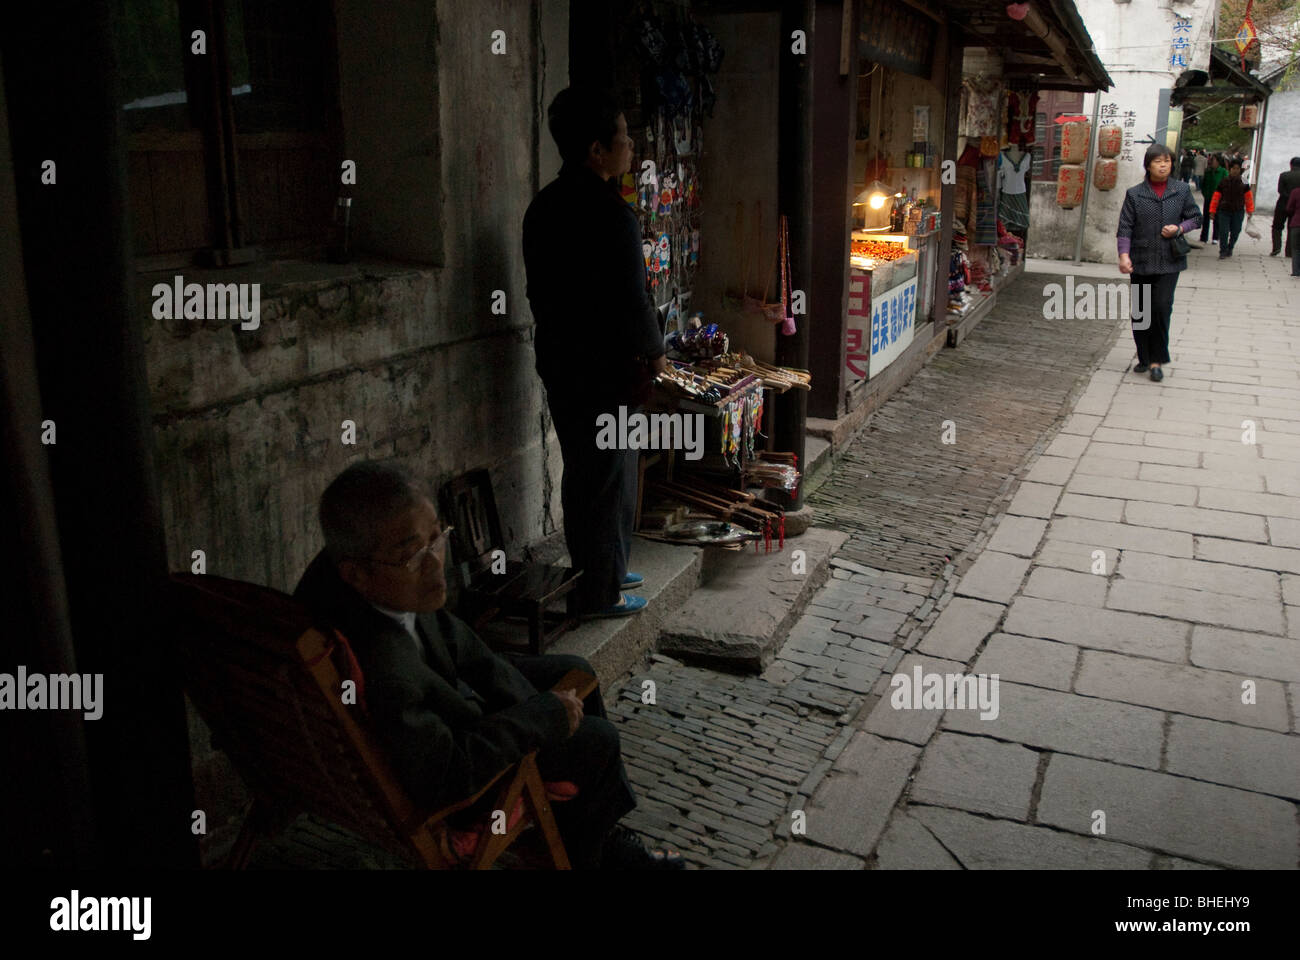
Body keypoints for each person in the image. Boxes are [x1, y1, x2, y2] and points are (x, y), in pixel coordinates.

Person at [293, 460, 686, 870]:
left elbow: (464, 647)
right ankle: (587, 855)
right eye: (413, 554)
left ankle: (595, 832)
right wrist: (535, 720)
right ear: (355, 575)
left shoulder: (373, 574)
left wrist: (535, 707)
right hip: (458, 774)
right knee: (598, 738)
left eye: (438, 538)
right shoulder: (386, 667)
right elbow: (444, 776)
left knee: (575, 672)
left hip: (446, 704)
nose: (435, 564)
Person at [522, 88, 664, 620]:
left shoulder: (544, 207)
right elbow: (634, 299)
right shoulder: (611, 214)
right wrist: (655, 355)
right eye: (623, 137)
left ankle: (607, 567)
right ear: (596, 151)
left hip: (564, 365)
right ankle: (598, 593)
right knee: (606, 479)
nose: (631, 145)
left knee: (595, 472)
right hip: (607, 374)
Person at [1117, 144, 1201, 383]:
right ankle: (1143, 356)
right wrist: (1124, 255)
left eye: (1167, 161)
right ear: (1148, 165)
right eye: (1158, 161)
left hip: (1169, 260)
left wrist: (1180, 228)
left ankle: (1156, 360)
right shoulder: (1135, 194)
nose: (1163, 165)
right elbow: (1125, 227)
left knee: (1162, 308)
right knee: (1141, 312)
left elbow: (1196, 217)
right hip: (1141, 259)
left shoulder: (1182, 190)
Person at [1209, 161, 1254, 258]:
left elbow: (1248, 197)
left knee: (1236, 230)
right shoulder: (1223, 181)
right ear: (1229, 169)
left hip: (1238, 211)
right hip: (1224, 210)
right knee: (1223, 231)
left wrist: (1250, 209)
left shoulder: (1244, 182)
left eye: (1237, 169)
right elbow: (1216, 197)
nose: (1235, 171)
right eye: (1233, 168)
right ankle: (1223, 251)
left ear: (1240, 170)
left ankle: (1230, 247)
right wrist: (1212, 210)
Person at [1270, 157, 1300, 258]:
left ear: (1290, 165)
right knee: (1292, 228)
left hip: (1282, 204)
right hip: (1296, 206)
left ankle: (1276, 247)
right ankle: (1289, 251)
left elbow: (1280, 190)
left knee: (1277, 226)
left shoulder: (1283, 175)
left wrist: (1288, 197)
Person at [1199, 154, 1226, 243]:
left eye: (1213, 160)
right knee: (1206, 218)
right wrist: (1205, 193)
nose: (1211, 162)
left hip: (1219, 199)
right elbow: (1203, 184)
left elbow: (1226, 185)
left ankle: (1215, 237)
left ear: (1218, 162)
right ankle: (1204, 237)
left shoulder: (1223, 172)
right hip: (1208, 197)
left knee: (1217, 218)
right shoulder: (1208, 172)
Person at [1287, 184, 1300, 278]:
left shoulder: (1296, 191)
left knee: (1295, 249)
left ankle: (1295, 271)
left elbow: (1289, 208)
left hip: (1296, 223)